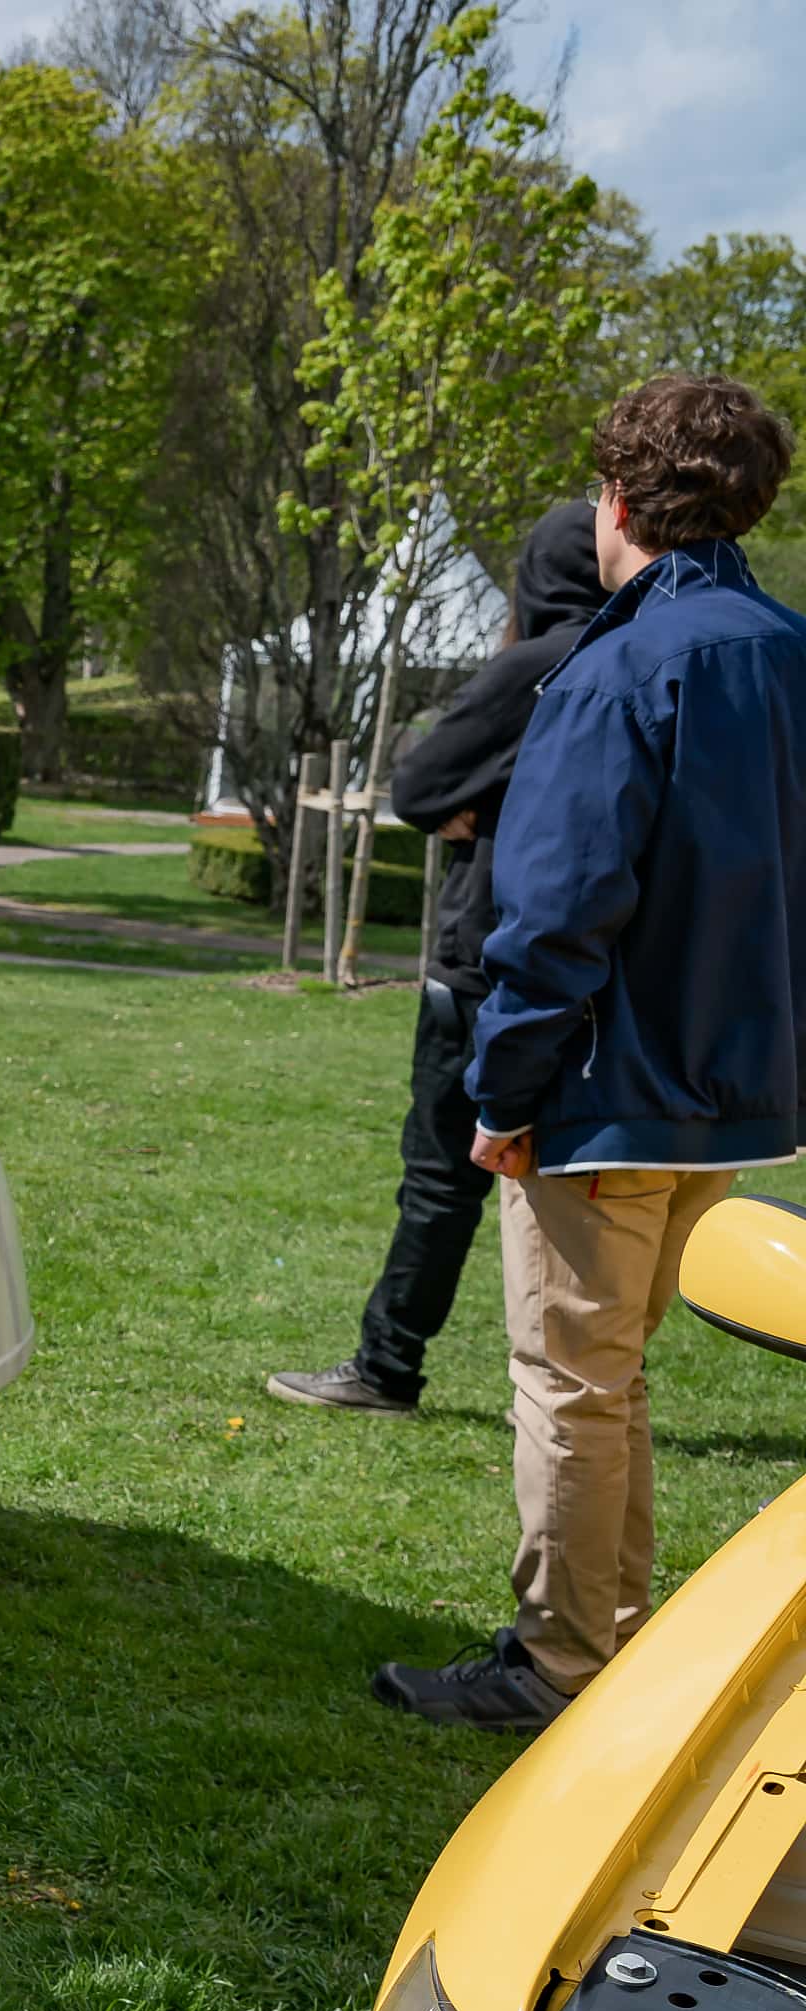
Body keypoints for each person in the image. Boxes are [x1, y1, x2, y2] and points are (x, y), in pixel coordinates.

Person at [376, 375, 806, 1731]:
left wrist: (504, 1092)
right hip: (735, 1095)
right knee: (609, 1376)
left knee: (572, 1380)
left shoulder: (617, 666)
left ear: (616, 500)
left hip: (610, 1090)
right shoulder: (789, 652)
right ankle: (607, 1643)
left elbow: (558, 908)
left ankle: (560, 1659)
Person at [271, 500, 606, 1415]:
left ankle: (388, 1365)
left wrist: (480, 800)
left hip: (485, 956)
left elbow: (419, 786)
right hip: (593, 969)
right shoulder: (632, 661)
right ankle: (588, 1378)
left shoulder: (537, 666)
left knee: (442, 1176)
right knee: (580, 1192)